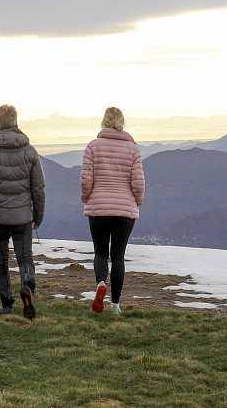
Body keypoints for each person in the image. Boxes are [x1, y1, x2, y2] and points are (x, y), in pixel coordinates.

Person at [0, 104, 45, 319]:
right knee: (25, 259)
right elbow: (38, 188)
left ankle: (6, 303)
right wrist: (38, 216)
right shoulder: (30, 151)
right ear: (16, 121)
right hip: (23, 216)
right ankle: (27, 293)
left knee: (1, 261)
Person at [80, 107, 145, 315]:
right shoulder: (133, 149)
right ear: (122, 122)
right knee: (118, 257)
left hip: (98, 208)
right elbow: (138, 183)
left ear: (103, 122)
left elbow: (85, 179)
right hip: (124, 210)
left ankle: (100, 283)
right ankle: (115, 304)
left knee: (100, 252)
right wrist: (137, 202)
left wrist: (86, 198)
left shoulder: (92, 147)